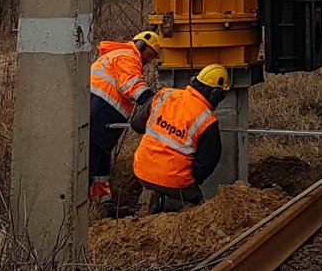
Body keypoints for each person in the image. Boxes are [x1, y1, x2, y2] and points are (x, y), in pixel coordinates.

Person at [131, 63, 230, 213]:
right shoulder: (207, 120)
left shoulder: (165, 95)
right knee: (197, 206)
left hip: (142, 170)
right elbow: (207, 162)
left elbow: (136, 124)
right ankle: (163, 204)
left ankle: (151, 199)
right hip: (173, 182)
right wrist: (190, 180)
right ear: (215, 94)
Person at [89, 30, 161, 216]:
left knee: (101, 162)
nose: (150, 60)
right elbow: (132, 85)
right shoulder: (127, 57)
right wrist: (155, 102)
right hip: (99, 111)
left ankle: (101, 204)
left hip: (102, 113)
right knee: (91, 160)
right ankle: (86, 207)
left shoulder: (122, 56)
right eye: (150, 54)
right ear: (140, 45)